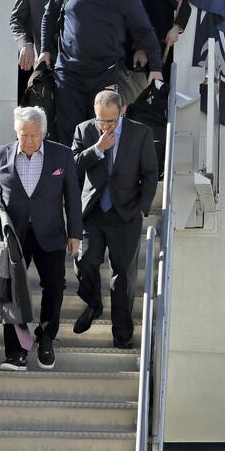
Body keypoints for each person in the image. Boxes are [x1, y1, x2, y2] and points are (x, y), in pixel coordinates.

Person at [0, 106, 82, 370]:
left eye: (34, 135)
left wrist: (75, 234)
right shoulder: (0, 154)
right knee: (11, 293)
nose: (28, 141)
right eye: (24, 135)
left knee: (54, 288)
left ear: (44, 133)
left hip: (51, 233)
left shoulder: (62, 155)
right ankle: (16, 353)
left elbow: (72, 197)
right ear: (17, 132)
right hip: (14, 234)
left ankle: (46, 339)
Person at [39, 0, 163, 145]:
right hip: (68, 73)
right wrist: (44, 50)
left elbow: (144, 30)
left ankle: (97, 176)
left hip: (104, 74)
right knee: (68, 131)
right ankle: (69, 177)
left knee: (101, 131)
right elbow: (49, 15)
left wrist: (156, 67)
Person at [70, 91, 159, 348]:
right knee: (85, 261)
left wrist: (143, 207)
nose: (106, 126)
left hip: (126, 213)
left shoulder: (140, 133)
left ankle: (122, 333)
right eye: (101, 121)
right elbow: (72, 166)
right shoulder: (84, 130)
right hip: (93, 212)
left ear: (122, 111)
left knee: (123, 276)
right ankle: (94, 304)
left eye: (111, 121)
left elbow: (150, 174)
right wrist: (97, 149)